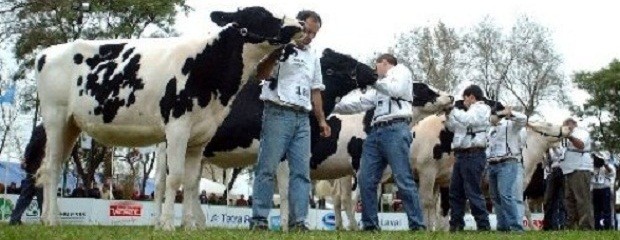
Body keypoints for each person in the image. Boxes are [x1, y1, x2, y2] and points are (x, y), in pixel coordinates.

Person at [250, 10, 330, 232]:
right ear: (298, 26)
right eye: (307, 31)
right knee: (267, 168)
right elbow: (261, 74)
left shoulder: (313, 57)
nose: (310, 37)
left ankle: (298, 222)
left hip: (302, 118)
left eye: (314, 34)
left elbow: (316, 91)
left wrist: (321, 120)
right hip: (278, 112)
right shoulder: (279, 48)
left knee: (302, 173)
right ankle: (259, 220)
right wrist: (277, 52)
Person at [333, 53, 425, 231]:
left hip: (396, 128)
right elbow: (359, 103)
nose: (375, 71)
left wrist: (373, 80)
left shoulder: (401, 72)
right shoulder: (379, 88)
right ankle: (369, 225)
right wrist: (334, 104)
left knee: (403, 178)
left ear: (385, 62)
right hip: (375, 131)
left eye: (376, 67)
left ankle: (417, 224)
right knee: (365, 178)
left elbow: (396, 90)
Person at [446, 85, 491, 232]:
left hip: (474, 153)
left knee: (472, 191)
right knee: (455, 192)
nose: (464, 101)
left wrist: (453, 110)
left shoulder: (481, 109)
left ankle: (483, 225)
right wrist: (448, 114)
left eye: (465, 98)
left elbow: (468, 121)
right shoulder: (466, 112)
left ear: (471, 97)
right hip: (461, 154)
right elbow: (453, 127)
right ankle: (456, 224)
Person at [486, 106, 526, 232]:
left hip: (507, 162)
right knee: (495, 197)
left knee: (506, 195)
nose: (491, 117)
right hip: (492, 163)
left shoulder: (510, 125)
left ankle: (515, 226)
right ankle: (502, 226)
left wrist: (508, 113)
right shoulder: (490, 129)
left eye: (493, 114)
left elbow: (523, 119)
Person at [559, 118, 594, 230]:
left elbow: (581, 145)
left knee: (582, 199)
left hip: (580, 168)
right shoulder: (564, 137)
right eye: (564, 124)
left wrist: (569, 136)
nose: (565, 126)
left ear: (574, 123)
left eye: (567, 123)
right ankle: (571, 226)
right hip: (568, 170)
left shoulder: (581, 132)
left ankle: (586, 226)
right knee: (569, 200)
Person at [9, 124, 46, 225]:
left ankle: (14, 219)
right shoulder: (47, 128)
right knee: (42, 196)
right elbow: (33, 145)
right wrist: (26, 159)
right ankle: (46, 220)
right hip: (40, 167)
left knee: (26, 195)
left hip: (35, 167)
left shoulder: (42, 128)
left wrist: (26, 159)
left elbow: (32, 145)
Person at [542, 145, 566, 230]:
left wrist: (554, 147)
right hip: (550, 173)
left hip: (563, 171)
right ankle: (551, 225)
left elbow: (562, 156)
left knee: (563, 200)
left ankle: (563, 224)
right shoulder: (547, 148)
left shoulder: (562, 144)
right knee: (549, 200)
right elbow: (544, 165)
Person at [591, 151, 615, 230]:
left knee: (606, 209)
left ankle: (607, 227)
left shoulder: (608, 166)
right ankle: (597, 227)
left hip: (605, 189)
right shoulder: (592, 166)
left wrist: (604, 164)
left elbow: (611, 172)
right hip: (595, 189)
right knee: (596, 209)